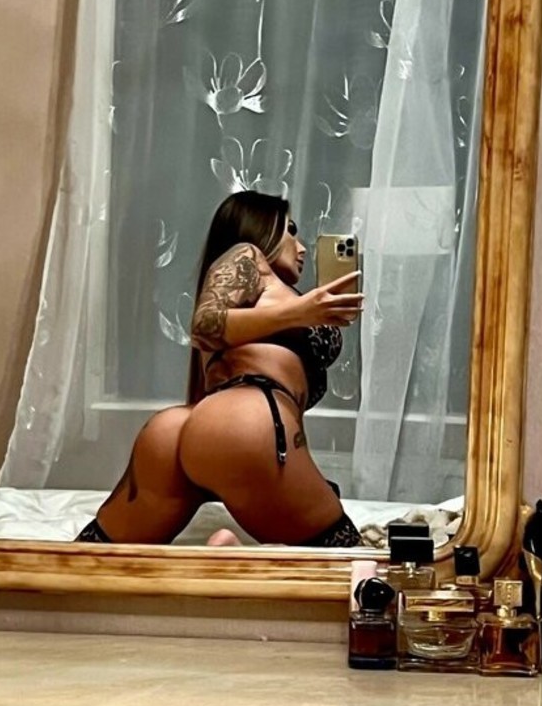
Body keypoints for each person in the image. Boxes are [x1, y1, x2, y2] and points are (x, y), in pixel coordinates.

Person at [75, 190, 365, 548]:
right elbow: (206, 325)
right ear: (258, 227)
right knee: (350, 563)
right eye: (290, 229)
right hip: (248, 417)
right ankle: (232, 554)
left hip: (182, 427)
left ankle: (228, 554)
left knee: (93, 559)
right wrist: (301, 312)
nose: (301, 247)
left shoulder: (252, 298)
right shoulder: (248, 256)